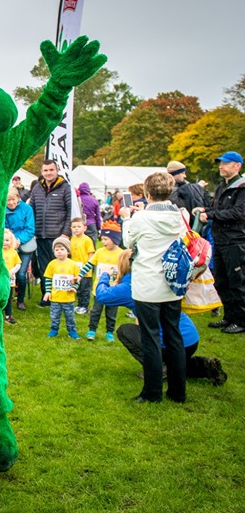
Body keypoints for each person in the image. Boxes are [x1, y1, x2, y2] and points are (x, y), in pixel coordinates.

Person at [96, 249, 228, 388]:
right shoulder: (156, 279)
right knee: (175, 363)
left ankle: (158, 368)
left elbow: (102, 295)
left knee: (125, 331)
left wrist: (105, 275)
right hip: (190, 336)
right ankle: (205, 366)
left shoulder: (130, 286)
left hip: (170, 340)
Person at [120, 172, 186, 403]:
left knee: (151, 338)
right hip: (172, 282)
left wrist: (127, 219)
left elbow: (128, 242)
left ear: (148, 193)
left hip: (148, 283)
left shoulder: (141, 218)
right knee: (173, 335)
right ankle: (178, 391)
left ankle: (152, 392)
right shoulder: (179, 215)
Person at [201, 151, 245, 334]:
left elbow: (238, 213)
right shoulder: (222, 187)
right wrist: (204, 210)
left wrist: (210, 215)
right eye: (220, 163)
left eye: (226, 163)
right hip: (220, 240)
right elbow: (216, 208)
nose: (221, 166)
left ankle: (241, 321)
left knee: (237, 282)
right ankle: (229, 316)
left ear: (237, 166)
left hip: (236, 241)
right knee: (222, 281)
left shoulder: (241, 187)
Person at [28, 159, 72, 305]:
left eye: (51, 170)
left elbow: (70, 212)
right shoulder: (37, 188)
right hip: (40, 235)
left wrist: (66, 233)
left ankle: (61, 298)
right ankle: (46, 297)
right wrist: (32, 231)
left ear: (57, 170)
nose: (48, 173)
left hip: (58, 236)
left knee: (60, 267)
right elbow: (31, 211)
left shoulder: (65, 188)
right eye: (45, 170)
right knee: (44, 268)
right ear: (42, 172)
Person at [76, 221, 123, 342]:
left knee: (111, 313)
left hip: (114, 290)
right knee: (95, 311)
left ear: (115, 239)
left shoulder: (121, 254)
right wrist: (80, 275)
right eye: (102, 239)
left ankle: (109, 332)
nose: (103, 242)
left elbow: (125, 271)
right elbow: (89, 264)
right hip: (99, 290)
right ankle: (92, 330)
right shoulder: (100, 252)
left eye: (106, 239)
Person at [4, 187, 35, 311]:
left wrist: (18, 240)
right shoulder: (3, 209)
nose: (11, 203)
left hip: (24, 244)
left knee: (21, 274)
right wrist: (11, 240)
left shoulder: (27, 209)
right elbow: (3, 227)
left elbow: (30, 229)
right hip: (8, 243)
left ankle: (20, 300)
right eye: (8, 200)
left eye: (13, 199)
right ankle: (5, 299)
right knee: (8, 272)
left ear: (18, 198)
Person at [42, 237, 80, 339]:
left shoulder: (73, 265)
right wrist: (48, 292)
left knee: (70, 316)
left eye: (62, 249)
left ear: (68, 251)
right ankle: (54, 329)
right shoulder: (52, 264)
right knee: (54, 315)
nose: (59, 252)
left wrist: (74, 287)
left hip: (68, 297)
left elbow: (77, 279)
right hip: (55, 297)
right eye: (56, 250)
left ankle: (72, 331)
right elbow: (48, 279)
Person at [69, 218, 96, 314]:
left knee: (85, 289)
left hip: (85, 271)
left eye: (78, 226)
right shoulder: (72, 239)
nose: (76, 229)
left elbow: (91, 253)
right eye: (74, 227)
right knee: (78, 288)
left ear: (84, 228)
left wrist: (87, 266)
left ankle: (84, 306)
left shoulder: (87, 240)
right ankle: (79, 304)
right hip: (75, 270)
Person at [2, 229, 21, 325]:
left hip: (10, 279)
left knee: (9, 297)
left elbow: (18, 264)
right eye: (3, 240)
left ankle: (8, 316)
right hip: (0, 278)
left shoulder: (14, 252)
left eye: (7, 240)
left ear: (11, 241)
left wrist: (12, 271)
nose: (5, 242)